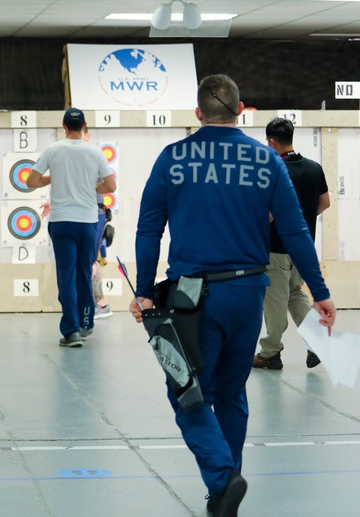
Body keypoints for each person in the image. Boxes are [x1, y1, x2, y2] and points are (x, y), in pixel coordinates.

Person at [130, 74, 336, 517]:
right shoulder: (266, 160)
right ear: (242, 112)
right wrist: (319, 291)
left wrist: (144, 291)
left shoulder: (173, 158)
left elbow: (149, 228)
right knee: (231, 393)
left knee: (185, 389)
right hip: (248, 290)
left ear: (199, 114)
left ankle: (223, 476)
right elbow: (295, 229)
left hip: (192, 296)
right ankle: (224, 496)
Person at [26, 109, 116, 347]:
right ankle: (87, 323)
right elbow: (111, 185)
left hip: (62, 221)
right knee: (84, 273)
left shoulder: (53, 149)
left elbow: (31, 181)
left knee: (66, 276)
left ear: (63, 126)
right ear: (84, 126)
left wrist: (52, 178)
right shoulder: (95, 151)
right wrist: (90, 188)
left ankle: (71, 331)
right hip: (87, 222)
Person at [253, 117, 330, 371]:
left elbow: (269, 215)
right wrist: (302, 220)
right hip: (302, 248)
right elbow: (324, 203)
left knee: (274, 301)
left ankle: (270, 353)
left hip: (275, 248)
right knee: (295, 295)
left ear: (272, 142)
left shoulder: (274, 170)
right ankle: (316, 342)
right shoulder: (314, 168)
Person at [40, 124, 114, 319]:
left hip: (93, 218)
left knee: (90, 263)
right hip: (83, 218)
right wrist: (51, 203)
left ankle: (98, 304)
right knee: (84, 265)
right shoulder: (80, 156)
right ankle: (90, 309)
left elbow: (106, 186)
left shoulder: (91, 156)